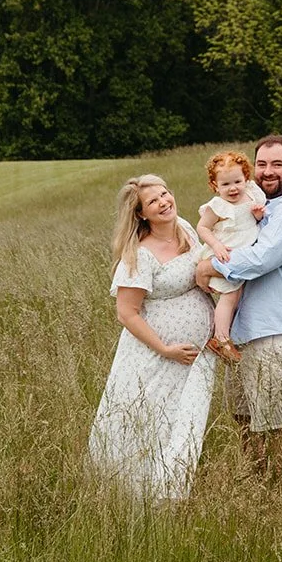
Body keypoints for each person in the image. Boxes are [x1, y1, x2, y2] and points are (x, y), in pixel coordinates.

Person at [196, 135, 282, 480]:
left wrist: (207, 267)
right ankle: (257, 482)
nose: (268, 172)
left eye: (278, 164)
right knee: (241, 416)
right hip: (245, 334)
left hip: (277, 331)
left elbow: (261, 259)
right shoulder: (256, 203)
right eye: (263, 164)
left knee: (271, 421)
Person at [88, 174, 215, 501]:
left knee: (186, 421)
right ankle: (140, 496)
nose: (164, 202)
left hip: (194, 358)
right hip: (156, 358)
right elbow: (126, 313)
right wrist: (166, 348)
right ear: (141, 213)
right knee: (150, 422)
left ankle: (176, 489)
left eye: (165, 194)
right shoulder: (139, 254)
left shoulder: (186, 229)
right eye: (153, 201)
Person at [195, 150, 266, 365]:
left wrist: (257, 215)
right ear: (215, 186)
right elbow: (203, 227)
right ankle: (221, 339)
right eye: (225, 184)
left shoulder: (253, 194)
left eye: (237, 181)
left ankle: (229, 333)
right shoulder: (218, 206)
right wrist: (216, 245)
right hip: (225, 253)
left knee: (238, 295)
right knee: (230, 296)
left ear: (246, 177)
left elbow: (256, 219)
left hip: (243, 254)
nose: (233, 188)